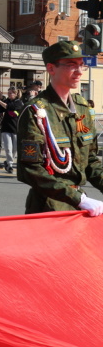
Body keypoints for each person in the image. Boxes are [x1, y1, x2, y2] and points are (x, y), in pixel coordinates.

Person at [17, 41, 103, 216]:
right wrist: (79, 199)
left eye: (81, 65)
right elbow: (30, 170)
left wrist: (81, 199)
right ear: (51, 68)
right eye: (71, 65)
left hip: (77, 205)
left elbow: (91, 161)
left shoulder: (82, 108)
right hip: (48, 207)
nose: (79, 71)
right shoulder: (37, 112)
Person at [0, 87, 24, 174]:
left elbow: (9, 107)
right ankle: (10, 165)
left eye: (11, 93)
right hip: (6, 127)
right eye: (8, 93)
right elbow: (0, 109)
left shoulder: (19, 102)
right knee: (8, 148)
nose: (9, 95)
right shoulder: (6, 101)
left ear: (15, 94)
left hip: (16, 128)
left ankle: (8, 162)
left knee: (15, 149)